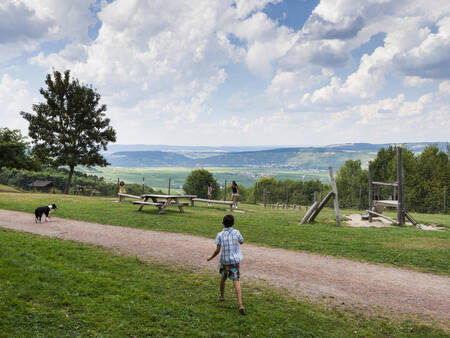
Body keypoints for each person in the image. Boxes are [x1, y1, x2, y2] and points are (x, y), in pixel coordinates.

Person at [207, 214, 245, 314]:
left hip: (225, 261)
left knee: (223, 278)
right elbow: (241, 242)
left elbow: (217, 250)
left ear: (222, 223)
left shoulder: (220, 235)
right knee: (236, 280)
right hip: (235, 262)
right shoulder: (236, 232)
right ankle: (240, 304)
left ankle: (222, 296)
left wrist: (210, 258)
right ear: (233, 223)